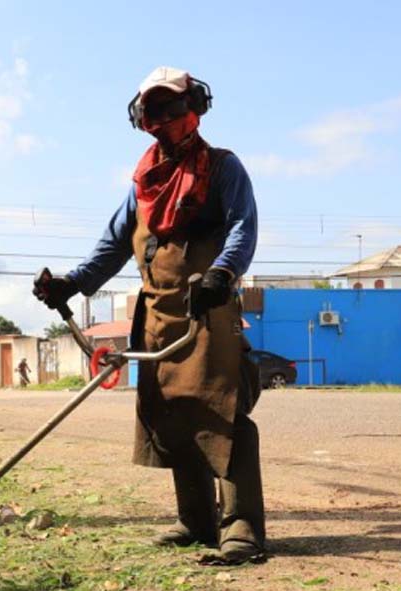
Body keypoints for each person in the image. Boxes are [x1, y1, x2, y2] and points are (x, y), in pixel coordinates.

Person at [33, 67, 264, 565]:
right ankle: (197, 521)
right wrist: (71, 283)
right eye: (152, 110)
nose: (163, 119)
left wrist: (223, 273)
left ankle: (241, 526)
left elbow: (244, 227)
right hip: (158, 315)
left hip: (210, 312)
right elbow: (112, 247)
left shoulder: (223, 168)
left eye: (172, 108)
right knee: (174, 414)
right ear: (140, 119)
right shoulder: (141, 185)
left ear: (195, 108)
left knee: (223, 412)